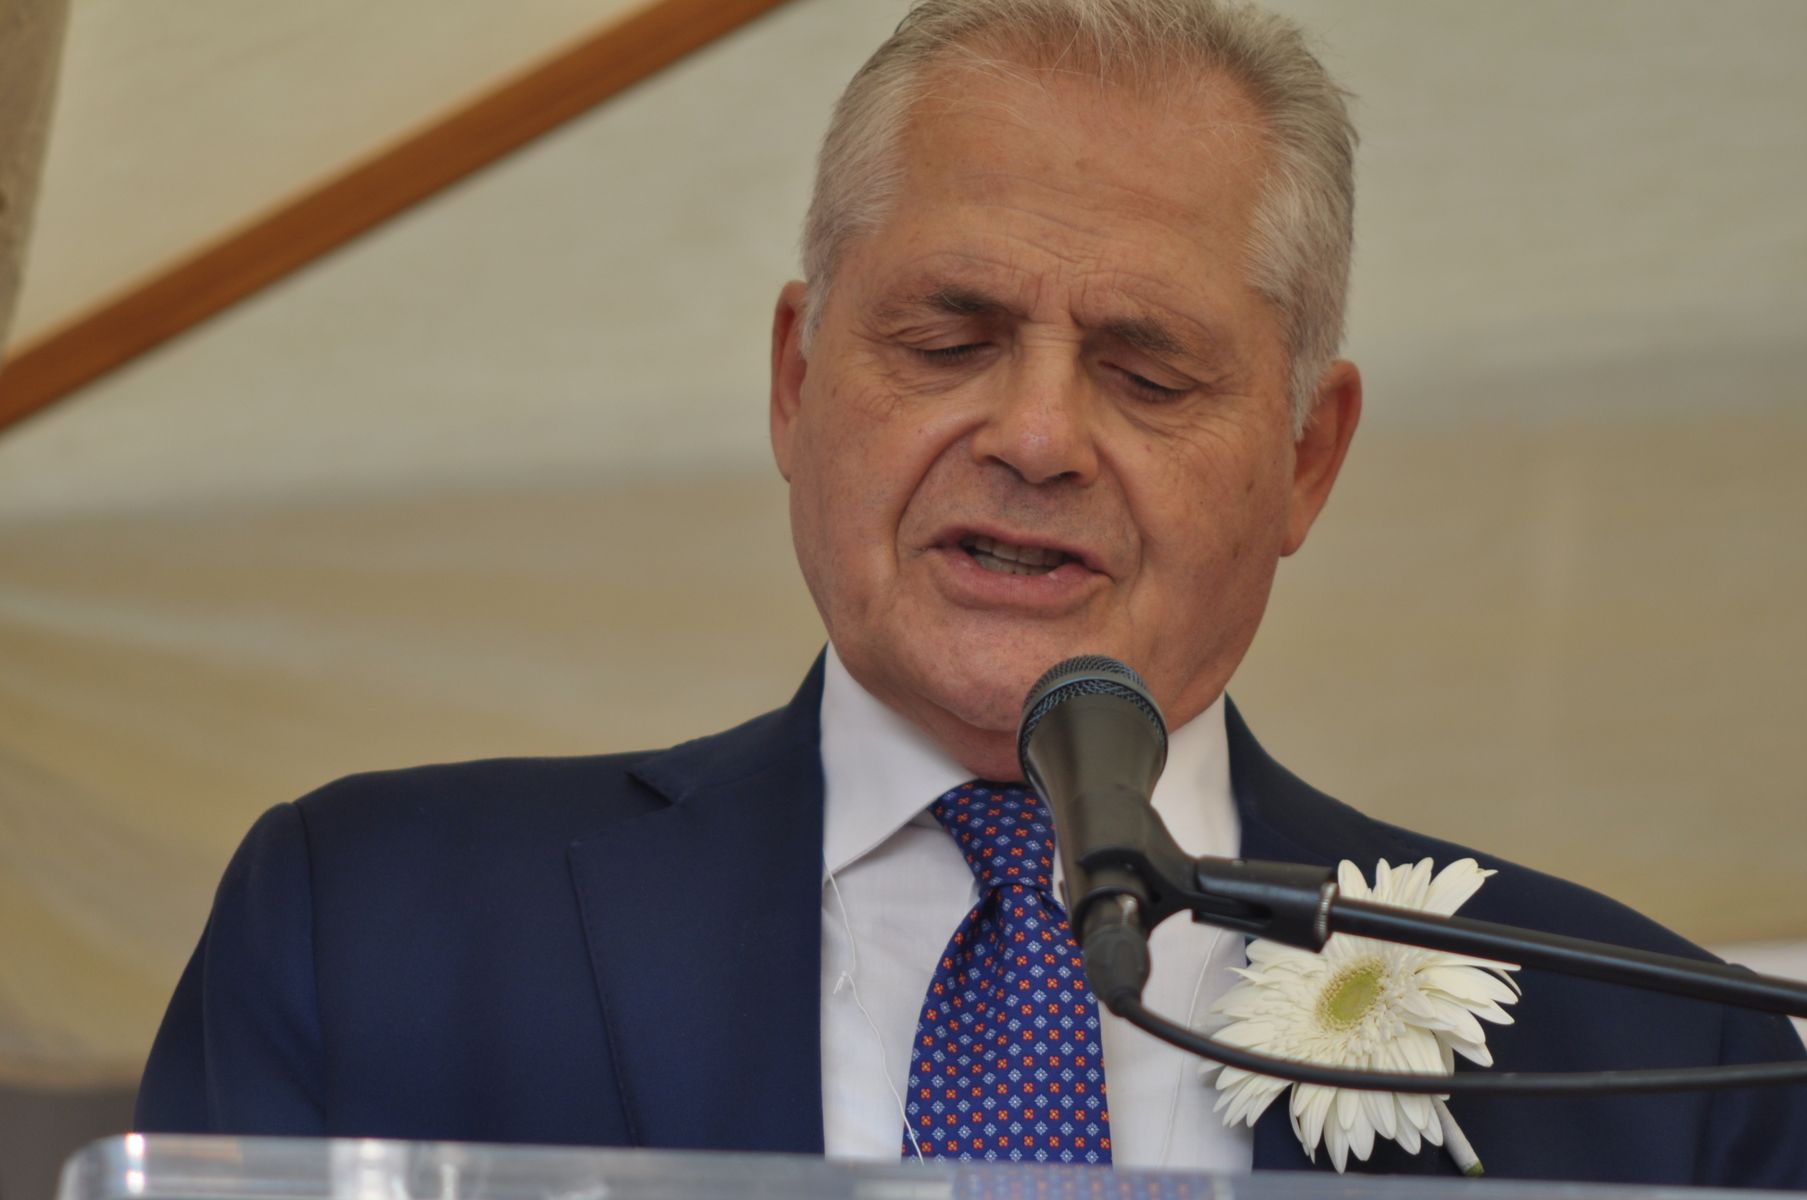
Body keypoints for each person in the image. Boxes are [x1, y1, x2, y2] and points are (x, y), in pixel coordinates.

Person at [134, 0, 1807, 1187]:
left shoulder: (1651, 1064)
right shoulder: (376, 928)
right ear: (797, 382)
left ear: (1307, 457)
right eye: (949, 340)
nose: (1036, 435)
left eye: (1146, 372)